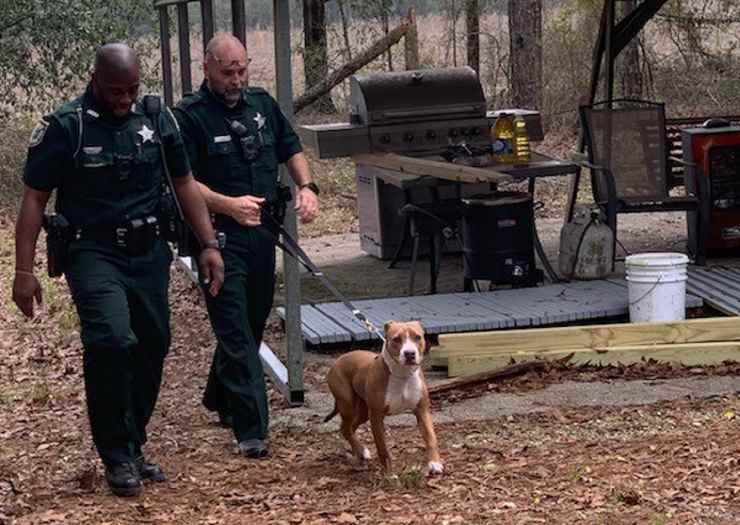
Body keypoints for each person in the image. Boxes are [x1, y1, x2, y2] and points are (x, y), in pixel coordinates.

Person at [12, 43, 225, 497]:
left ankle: (133, 441)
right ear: (95, 81)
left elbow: (185, 184)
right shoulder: (67, 126)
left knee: (153, 342)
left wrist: (208, 244)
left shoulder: (155, 118)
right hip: (92, 253)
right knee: (111, 338)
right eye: (115, 92)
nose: (124, 100)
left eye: (131, 90)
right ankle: (116, 455)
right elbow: (34, 197)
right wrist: (23, 270)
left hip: (148, 252)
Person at [173, 33, 319, 458]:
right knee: (234, 329)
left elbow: (290, 146)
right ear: (207, 68)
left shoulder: (261, 104)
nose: (236, 79)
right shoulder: (189, 116)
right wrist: (228, 205)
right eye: (227, 72)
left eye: (242, 69)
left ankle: (219, 397)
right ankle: (252, 429)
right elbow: (182, 183)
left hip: (261, 233)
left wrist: (306, 187)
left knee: (252, 322)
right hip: (215, 238)